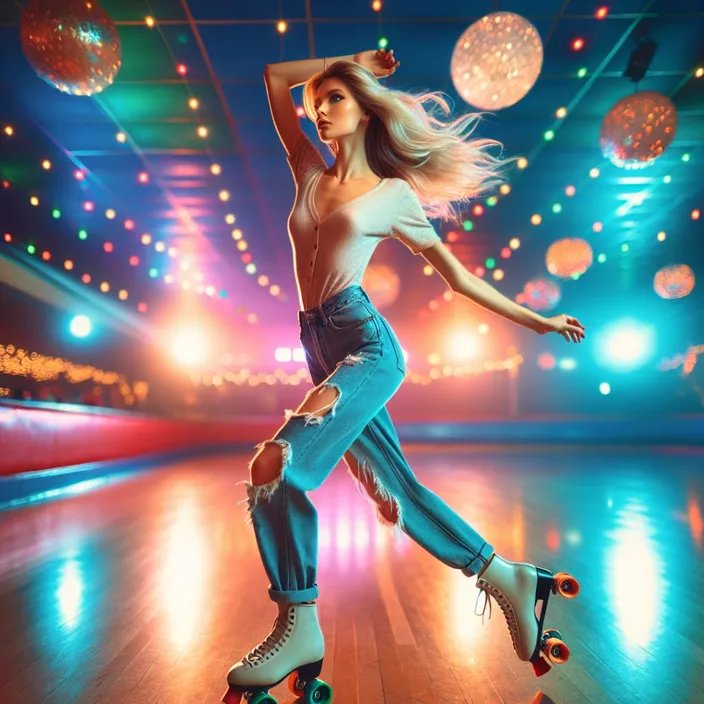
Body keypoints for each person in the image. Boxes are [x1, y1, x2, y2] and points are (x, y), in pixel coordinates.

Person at [224, 49, 585, 701]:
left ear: (365, 110)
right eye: (318, 102)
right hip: (318, 344)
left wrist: (536, 321)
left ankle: (297, 621)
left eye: (336, 98)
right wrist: (352, 60)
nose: (320, 109)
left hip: (366, 345)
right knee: (398, 492)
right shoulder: (308, 172)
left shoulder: (393, 196)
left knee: (275, 466)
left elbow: (459, 276)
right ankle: (507, 577)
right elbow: (276, 77)